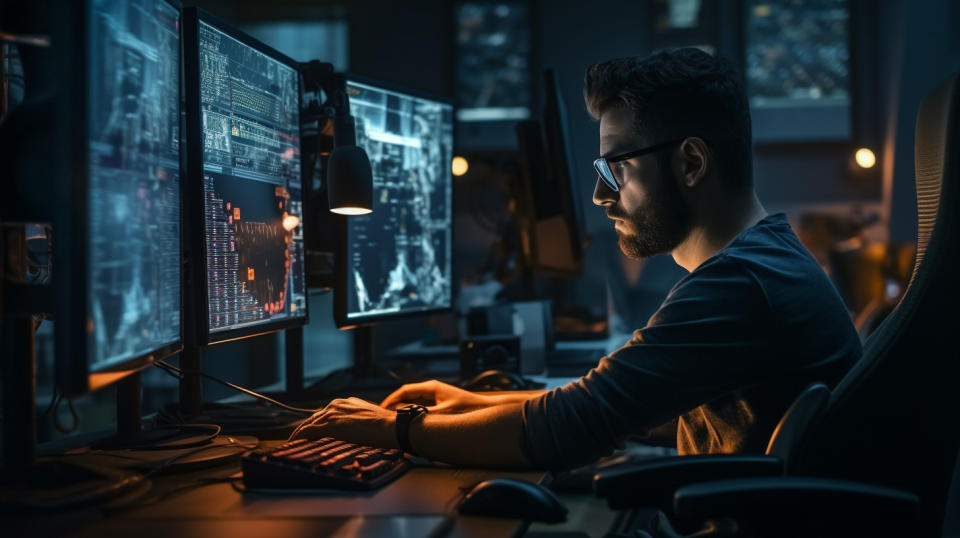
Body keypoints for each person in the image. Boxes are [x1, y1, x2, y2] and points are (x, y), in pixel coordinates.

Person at [290, 48, 861, 470]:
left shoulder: (741, 284)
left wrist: (398, 430)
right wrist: (470, 405)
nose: (600, 196)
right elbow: (626, 405)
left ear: (690, 164)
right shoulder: (763, 264)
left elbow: (572, 429)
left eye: (618, 169)